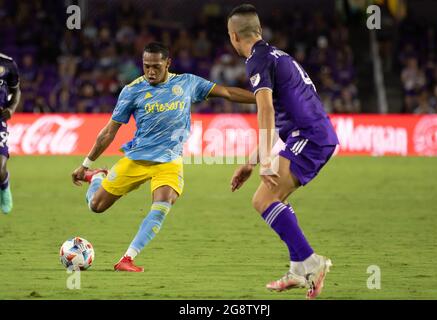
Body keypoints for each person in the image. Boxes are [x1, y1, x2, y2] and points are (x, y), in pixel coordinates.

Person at [71, 42, 256, 272]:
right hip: (137, 159)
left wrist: (263, 99)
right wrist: (86, 165)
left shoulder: (187, 83)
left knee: (162, 204)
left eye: (156, 66)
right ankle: (97, 177)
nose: (150, 71)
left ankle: (127, 259)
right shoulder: (132, 90)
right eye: (146, 66)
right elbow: (110, 131)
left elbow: (227, 92)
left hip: (169, 161)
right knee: (96, 206)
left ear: (168, 63)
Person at [227, 4, 339, 299]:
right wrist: (251, 162)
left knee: (262, 199)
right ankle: (297, 269)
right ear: (259, 31)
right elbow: (282, 116)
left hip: (309, 137)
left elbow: (265, 109)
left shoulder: (257, 60)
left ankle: (312, 263)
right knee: (274, 199)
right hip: (312, 135)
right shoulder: (278, 55)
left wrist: (266, 161)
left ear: (234, 37)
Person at [0, 52, 21, 214]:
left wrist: (11, 109)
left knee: (0, 169)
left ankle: (4, 183)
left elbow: (16, 92)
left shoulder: (8, 64)